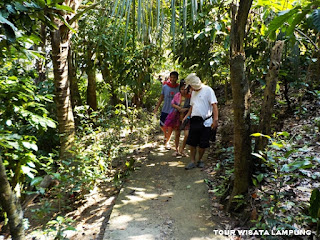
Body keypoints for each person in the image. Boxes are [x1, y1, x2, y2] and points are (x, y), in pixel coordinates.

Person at [182, 73, 218, 170]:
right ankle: (192, 161)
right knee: (192, 142)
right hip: (194, 121)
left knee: (203, 143)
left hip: (206, 122)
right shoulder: (193, 93)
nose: (190, 89)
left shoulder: (208, 90)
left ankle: (200, 160)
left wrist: (215, 120)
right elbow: (192, 106)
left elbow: (214, 106)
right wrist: (187, 116)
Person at [164, 80, 191, 156]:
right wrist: (178, 107)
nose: (184, 91)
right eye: (182, 89)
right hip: (177, 116)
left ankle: (182, 149)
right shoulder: (177, 95)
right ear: (180, 89)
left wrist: (185, 109)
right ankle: (176, 150)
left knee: (187, 134)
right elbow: (172, 103)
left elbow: (192, 107)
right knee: (177, 134)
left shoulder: (190, 96)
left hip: (187, 116)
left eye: (185, 89)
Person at [153, 71, 180, 149]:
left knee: (170, 127)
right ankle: (166, 135)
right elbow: (161, 98)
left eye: (174, 77)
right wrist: (156, 108)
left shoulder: (179, 88)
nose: (173, 79)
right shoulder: (165, 87)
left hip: (174, 111)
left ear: (177, 78)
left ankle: (167, 142)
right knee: (162, 125)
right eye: (171, 77)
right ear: (169, 78)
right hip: (165, 109)